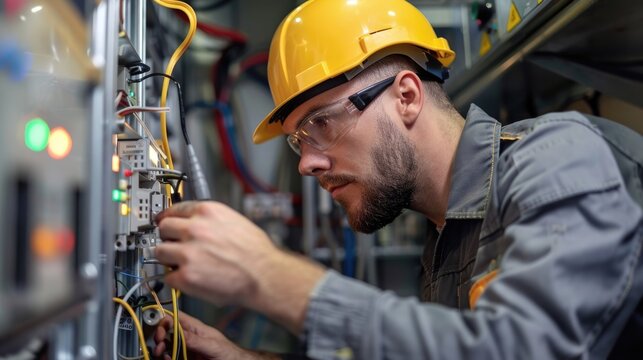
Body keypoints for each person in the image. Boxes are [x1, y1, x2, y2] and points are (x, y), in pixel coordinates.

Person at [152, 0, 643, 359]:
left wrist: (268, 275)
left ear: (406, 96)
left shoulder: (558, 159)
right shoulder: (444, 239)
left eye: (321, 123)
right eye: (299, 141)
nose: (307, 164)